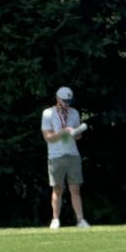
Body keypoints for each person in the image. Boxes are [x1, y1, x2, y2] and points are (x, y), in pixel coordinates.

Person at [41, 86, 90, 229]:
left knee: (75, 188)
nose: (67, 104)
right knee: (57, 188)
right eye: (64, 101)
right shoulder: (48, 113)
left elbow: (78, 136)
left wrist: (76, 133)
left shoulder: (74, 113)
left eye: (69, 101)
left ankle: (80, 220)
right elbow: (48, 137)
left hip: (73, 154)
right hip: (56, 155)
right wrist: (63, 132)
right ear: (57, 99)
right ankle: (55, 219)